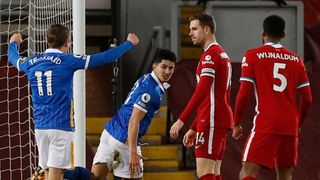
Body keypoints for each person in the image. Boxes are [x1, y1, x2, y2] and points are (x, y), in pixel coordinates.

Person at [7, 24, 139, 180]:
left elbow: (13, 57)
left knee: (47, 173)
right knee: (56, 175)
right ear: (68, 42)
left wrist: (13, 43)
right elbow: (104, 57)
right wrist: (129, 43)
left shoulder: (31, 61)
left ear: (47, 40)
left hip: (40, 128)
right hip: (61, 127)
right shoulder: (68, 60)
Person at [232, 15, 312, 180]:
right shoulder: (297, 61)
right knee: (285, 175)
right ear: (283, 34)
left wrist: (237, 123)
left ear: (263, 33)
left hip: (266, 123)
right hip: (290, 124)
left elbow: (244, 93)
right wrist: (299, 123)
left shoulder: (252, 55)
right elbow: (307, 99)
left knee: (247, 172)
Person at [88, 49, 176, 180]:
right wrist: (133, 152)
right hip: (124, 140)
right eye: (164, 67)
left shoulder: (146, 78)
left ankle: (65, 175)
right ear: (154, 66)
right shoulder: (151, 91)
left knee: (95, 177)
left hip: (109, 133)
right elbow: (134, 120)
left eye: (171, 68)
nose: (167, 71)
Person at [169, 13, 233, 180]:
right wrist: (194, 127)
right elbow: (215, 96)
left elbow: (203, 91)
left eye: (194, 29)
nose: (190, 33)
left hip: (212, 120)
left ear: (207, 30)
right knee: (214, 172)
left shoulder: (211, 55)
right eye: (190, 29)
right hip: (216, 119)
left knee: (204, 173)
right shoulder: (222, 54)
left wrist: (181, 119)